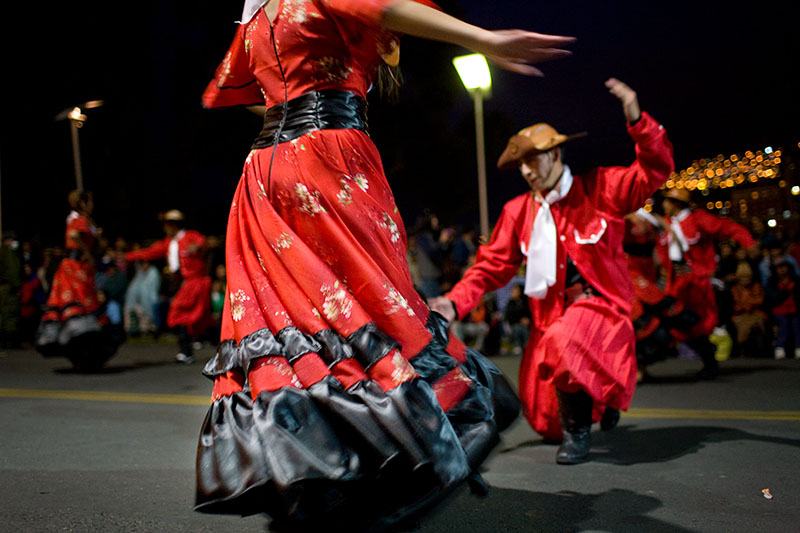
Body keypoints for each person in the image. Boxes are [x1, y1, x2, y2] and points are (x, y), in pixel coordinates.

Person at [195, 0, 573, 529]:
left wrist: (293, 108)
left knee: (299, 319)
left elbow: (240, 92)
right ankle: (400, 444)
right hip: (327, 162)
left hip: (262, 174)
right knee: (372, 303)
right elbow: (388, 6)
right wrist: (483, 40)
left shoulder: (256, 14)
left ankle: (323, 463)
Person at [431, 79, 675, 464]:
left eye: (533, 160)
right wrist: (452, 303)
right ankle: (595, 400)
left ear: (557, 153)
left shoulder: (600, 189)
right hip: (550, 319)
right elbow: (490, 267)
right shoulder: (517, 211)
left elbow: (653, 171)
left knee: (567, 338)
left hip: (601, 309)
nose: (527, 171)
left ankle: (579, 436)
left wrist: (635, 116)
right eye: (521, 164)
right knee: (544, 421)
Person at [658, 188, 757, 378]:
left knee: (697, 323)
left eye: (667, 202)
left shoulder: (698, 219)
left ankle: (709, 361)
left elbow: (727, 227)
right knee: (675, 322)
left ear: (676, 203)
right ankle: (706, 355)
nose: (663, 205)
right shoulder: (667, 224)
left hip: (696, 282)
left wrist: (748, 243)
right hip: (676, 282)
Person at [36, 191, 121, 370]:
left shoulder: (80, 219)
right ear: (83, 203)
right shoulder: (79, 219)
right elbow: (75, 235)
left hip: (76, 268)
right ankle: (85, 352)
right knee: (82, 306)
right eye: (89, 202)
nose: (92, 205)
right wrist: (88, 252)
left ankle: (84, 354)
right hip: (76, 269)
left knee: (80, 308)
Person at [125, 210, 212, 364]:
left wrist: (197, 246)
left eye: (167, 225)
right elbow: (149, 253)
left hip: (196, 282)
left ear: (174, 225)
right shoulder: (168, 243)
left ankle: (188, 351)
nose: (165, 228)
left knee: (181, 313)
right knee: (190, 318)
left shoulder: (189, 236)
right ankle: (188, 351)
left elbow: (202, 241)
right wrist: (126, 257)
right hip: (184, 283)